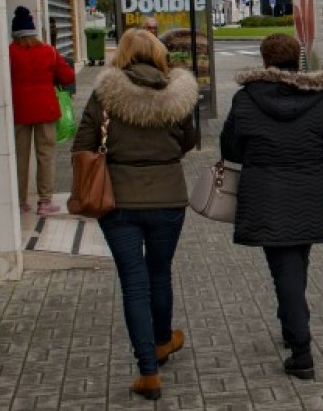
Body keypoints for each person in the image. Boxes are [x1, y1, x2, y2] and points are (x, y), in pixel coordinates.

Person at [220, 33, 323, 381]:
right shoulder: (320, 98)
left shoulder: (245, 99)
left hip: (265, 197)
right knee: (295, 264)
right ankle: (291, 325)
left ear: (265, 61)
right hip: (310, 193)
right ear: (297, 61)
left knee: (284, 270)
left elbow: (231, 150)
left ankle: (301, 352)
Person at [72, 28, 201, 400]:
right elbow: (189, 141)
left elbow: (83, 144)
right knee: (159, 273)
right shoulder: (176, 93)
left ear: (123, 54)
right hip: (169, 199)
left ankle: (148, 372)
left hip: (119, 202)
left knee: (134, 281)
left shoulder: (105, 93)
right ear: (158, 54)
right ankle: (162, 341)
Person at [9, 6, 75, 216]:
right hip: (46, 111)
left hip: (19, 111)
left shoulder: (8, 53)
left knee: (20, 156)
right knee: (46, 156)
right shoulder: (49, 51)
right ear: (33, 30)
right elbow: (68, 77)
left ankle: (20, 202)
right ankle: (45, 202)